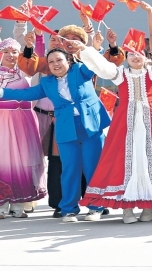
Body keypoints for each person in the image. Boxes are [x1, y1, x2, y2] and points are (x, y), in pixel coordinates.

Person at [2, 34, 118, 222]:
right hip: (66, 128)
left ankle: (96, 207)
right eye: (51, 62)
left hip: (90, 126)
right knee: (70, 169)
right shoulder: (47, 83)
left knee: (93, 168)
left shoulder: (81, 70)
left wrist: (91, 48)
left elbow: (97, 63)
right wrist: (2, 91)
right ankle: (69, 209)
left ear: (68, 61)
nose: (55, 64)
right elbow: (27, 93)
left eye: (59, 60)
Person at [80, 31, 152, 222]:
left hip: (150, 121)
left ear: (145, 56)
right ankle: (127, 209)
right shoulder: (119, 73)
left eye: (139, 53)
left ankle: (148, 207)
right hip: (125, 122)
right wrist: (86, 50)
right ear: (126, 57)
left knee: (150, 158)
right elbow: (102, 66)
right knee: (125, 159)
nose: (135, 57)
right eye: (131, 54)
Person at [0, 34, 45, 218]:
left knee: (23, 161)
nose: (10, 55)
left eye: (14, 52)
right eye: (6, 51)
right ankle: (2, 205)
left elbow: (39, 58)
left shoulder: (24, 72)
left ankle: (18, 204)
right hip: (4, 120)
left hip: (24, 121)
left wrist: (38, 38)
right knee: (4, 161)